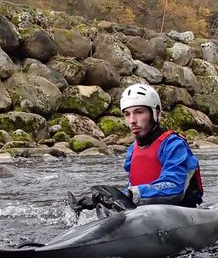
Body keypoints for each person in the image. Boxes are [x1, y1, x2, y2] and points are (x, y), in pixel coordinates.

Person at [69, 83, 203, 214]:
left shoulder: (174, 145)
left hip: (180, 214)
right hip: (147, 214)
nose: (132, 120)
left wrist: (129, 195)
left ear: (156, 113)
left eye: (139, 112)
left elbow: (174, 186)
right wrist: (99, 202)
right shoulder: (133, 149)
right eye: (127, 114)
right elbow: (131, 188)